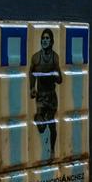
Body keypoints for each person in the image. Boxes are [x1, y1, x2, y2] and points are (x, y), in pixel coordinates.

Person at [29, 28, 63, 158]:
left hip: (51, 96)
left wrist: (55, 75)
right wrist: (32, 87)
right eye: (43, 38)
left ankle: (52, 151)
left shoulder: (55, 58)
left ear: (52, 41)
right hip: (41, 97)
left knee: (52, 122)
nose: (44, 40)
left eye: (47, 38)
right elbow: (32, 73)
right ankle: (38, 120)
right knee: (42, 126)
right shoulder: (36, 57)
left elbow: (60, 79)